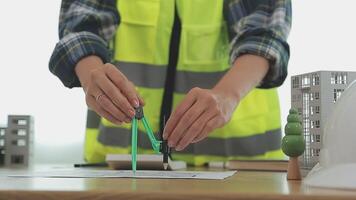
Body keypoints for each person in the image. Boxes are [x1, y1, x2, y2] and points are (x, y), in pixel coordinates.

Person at [49, 0, 291, 166]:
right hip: (119, 167)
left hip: (238, 168)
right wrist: (92, 75)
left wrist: (227, 95)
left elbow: (267, 32)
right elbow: (80, 22)